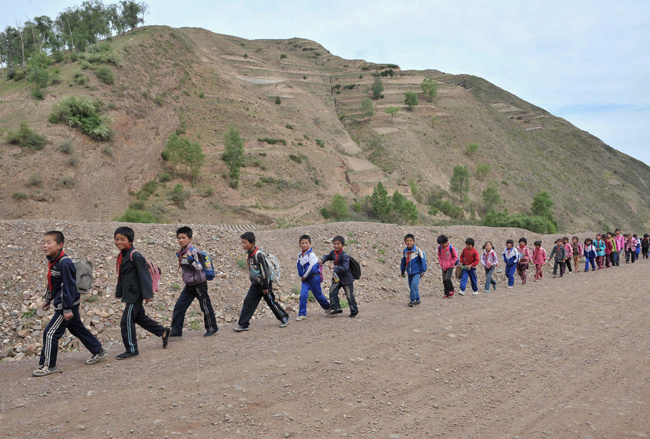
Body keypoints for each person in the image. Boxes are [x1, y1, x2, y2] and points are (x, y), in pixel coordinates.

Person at [33, 231, 107, 377]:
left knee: (50, 333)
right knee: (77, 328)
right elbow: (52, 282)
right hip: (66, 302)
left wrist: (66, 308)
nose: (45, 245)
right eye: (43, 242)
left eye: (49, 242)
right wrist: (47, 299)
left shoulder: (64, 263)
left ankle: (49, 365)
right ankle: (99, 350)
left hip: (66, 304)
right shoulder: (52, 260)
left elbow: (68, 287)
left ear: (60, 245)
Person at [114, 226, 170, 359]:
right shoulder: (122, 255)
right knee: (139, 318)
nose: (119, 242)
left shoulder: (135, 255)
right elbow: (122, 276)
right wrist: (119, 291)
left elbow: (144, 276)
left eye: (123, 239)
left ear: (130, 241)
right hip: (129, 293)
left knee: (126, 321)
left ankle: (131, 349)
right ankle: (163, 332)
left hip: (135, 295)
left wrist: (148, 295)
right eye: (116, 239)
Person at [233, 232, 289, 331]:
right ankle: (243, 324)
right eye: (242, 242)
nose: (243, 245)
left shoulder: (258, 255)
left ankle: (284, 317)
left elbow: (265, 271)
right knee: (248, 302)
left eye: (245, 243)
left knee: (271, 302)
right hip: (255, 285)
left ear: (252, 243)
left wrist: (265, 286)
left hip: (263, 284)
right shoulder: (250, 254)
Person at [170, 226, 218, 338]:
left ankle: (212, 328)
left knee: (205, 306)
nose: (181, 240)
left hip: (199, 284)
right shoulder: (181, 252)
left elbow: (200, 268)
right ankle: (176, 331)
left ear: (190, 239)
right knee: (179, 306)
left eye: (183, 237)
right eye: (179, 238)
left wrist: (192, 261)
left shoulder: (193, 252)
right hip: (189, 285)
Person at [320, 235, 359, 317]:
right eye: (334, 244)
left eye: (338, 244)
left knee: (349, 296)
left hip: (347, 279)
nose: (336, 246)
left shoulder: (345, 256)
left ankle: (354, 311)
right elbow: (327, 256)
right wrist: (322, 260)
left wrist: (335, 267)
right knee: (332, 291)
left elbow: (345, 268)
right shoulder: (333, 253)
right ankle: (337, 308)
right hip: (337, 278)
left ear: (343, 245)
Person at [295, 234, 330, 320]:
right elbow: (298, 265)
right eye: (302, 243)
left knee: (318, 295)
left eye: (306, 243)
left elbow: (311, 267)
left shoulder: (312, 255)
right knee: (303, 295)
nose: (304, 245)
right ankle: (302, 314)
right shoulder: (300, 255)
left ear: (310, 244)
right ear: (299, 244)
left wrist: (304, 276)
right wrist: (301, 275)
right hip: (305, 279)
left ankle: (328, 307)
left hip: (314, 278)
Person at [400, 233, 427, 306]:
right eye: (407, 241)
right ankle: (417, 299)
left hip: (417, 272)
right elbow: (403, 262)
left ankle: (412, 300)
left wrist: (422, 271)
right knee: (412, 286)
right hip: (409, 272)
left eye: (410, 241)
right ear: (405, 242)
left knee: (413, 285)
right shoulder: (405, 251)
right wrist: (402, 271)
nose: (409, 242)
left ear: (413, 241)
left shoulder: (418, 250)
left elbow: (423, 261)